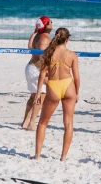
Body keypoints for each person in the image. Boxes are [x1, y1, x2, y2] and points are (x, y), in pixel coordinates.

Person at [33, 28, 79, 161]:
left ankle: (37, 155)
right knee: (68, 123)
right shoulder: (71, 54)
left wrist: (38, 94)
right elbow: (76, 78)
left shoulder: (49, 52)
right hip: (68, 86)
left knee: (42, 123)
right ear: (67, 39)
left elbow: (42, 74)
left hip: (53, 86)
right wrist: (77, 92)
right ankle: (63, 157)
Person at [22, 16, 52, 131]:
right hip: (36, 69)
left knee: (33, 96)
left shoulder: (37, 36)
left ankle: (25, 121)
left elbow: (30, 46)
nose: (52, 23)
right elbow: (41, 58)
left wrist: (34, 32)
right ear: (46, 25)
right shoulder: (44, 38)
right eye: (50, 22)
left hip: (31, 67)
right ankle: (32, 123)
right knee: (41, 96)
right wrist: (45, 74)